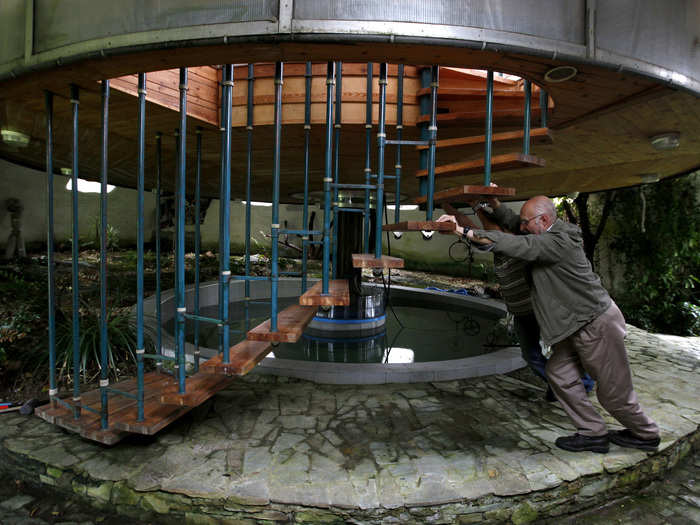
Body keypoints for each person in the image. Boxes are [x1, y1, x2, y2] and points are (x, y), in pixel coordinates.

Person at [438, 195, 660, 453]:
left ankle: (646, 434)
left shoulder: (558, 241)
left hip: (594, 324)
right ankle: (593, 433)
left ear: (543, 220)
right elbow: (515, 226)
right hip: (575, 326)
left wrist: (462, 230)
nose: (521, 228)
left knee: (613, 392)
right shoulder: (548, 230)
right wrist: (495, 204)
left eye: (525, 223)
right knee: (559, 373)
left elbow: (513, 241)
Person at [439, 201, 594, 400]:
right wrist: (453, 206)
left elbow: (487, 231)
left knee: (562, 351)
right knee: (531, 355)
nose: (492, 230)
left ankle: (580, 384)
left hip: (539, 309)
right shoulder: (500, 247)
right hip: (521, 312)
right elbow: (484, 230)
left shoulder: (523, 243)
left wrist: (467, 216)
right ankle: (561, 385)